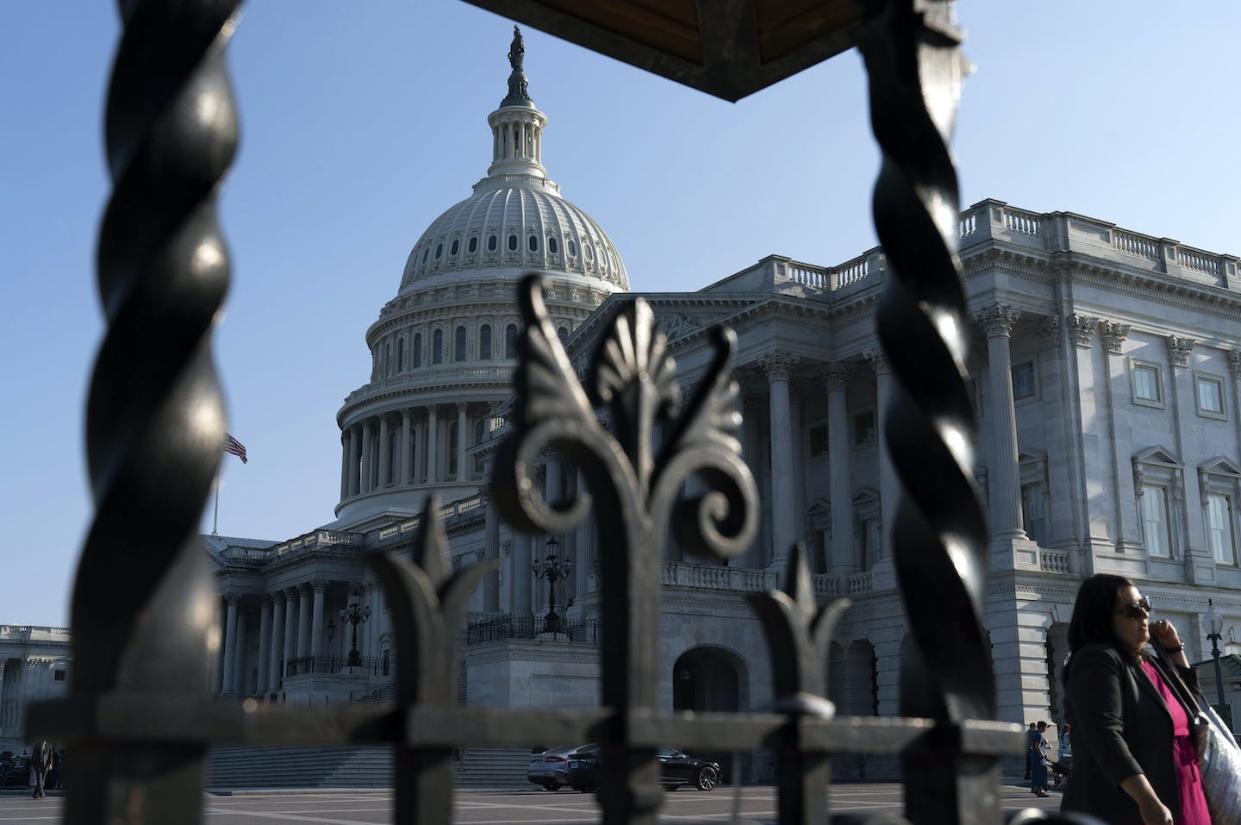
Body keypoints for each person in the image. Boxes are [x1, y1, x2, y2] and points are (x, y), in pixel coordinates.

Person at [1060, 574, 1211, 825]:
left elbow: (1191, 708)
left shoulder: (1146, 661)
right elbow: (1105, 735)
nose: (1144, 615)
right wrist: (1146, 799)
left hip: (1185, 801)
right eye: (1132, 610)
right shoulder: (1097, 660)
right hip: (1131, 811)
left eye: (1145, 605)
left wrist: (1174, 649)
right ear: (1103, 617)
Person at [1030, 721, 1051, 797]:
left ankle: (1036, 789)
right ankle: (1039, 791)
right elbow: (1037, 746)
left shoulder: (1035, 734)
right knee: (1041, 772)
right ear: (1042, 727)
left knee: (1036, 773)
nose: (1046, 729)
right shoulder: (1039, 735)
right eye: (1045, 727)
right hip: (1038, 757)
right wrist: (1042, 755)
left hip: (1034, 756)